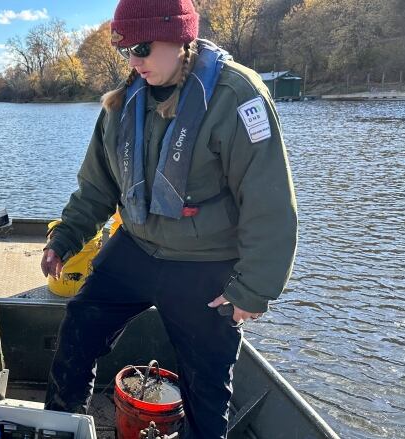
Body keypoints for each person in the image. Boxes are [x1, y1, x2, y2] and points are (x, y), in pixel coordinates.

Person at [39, 0, 298, 438]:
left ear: (181, 38)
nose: (134, 61)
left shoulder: (237, 96)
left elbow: (268, 201)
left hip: (206, 262)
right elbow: (98, 187)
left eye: (141, 47)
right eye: (126, 51)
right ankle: (62, 426)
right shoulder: (123, 101)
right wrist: (63, 239)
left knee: (207, 384)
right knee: (80, 323)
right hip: (137, 247)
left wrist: (254, 289)